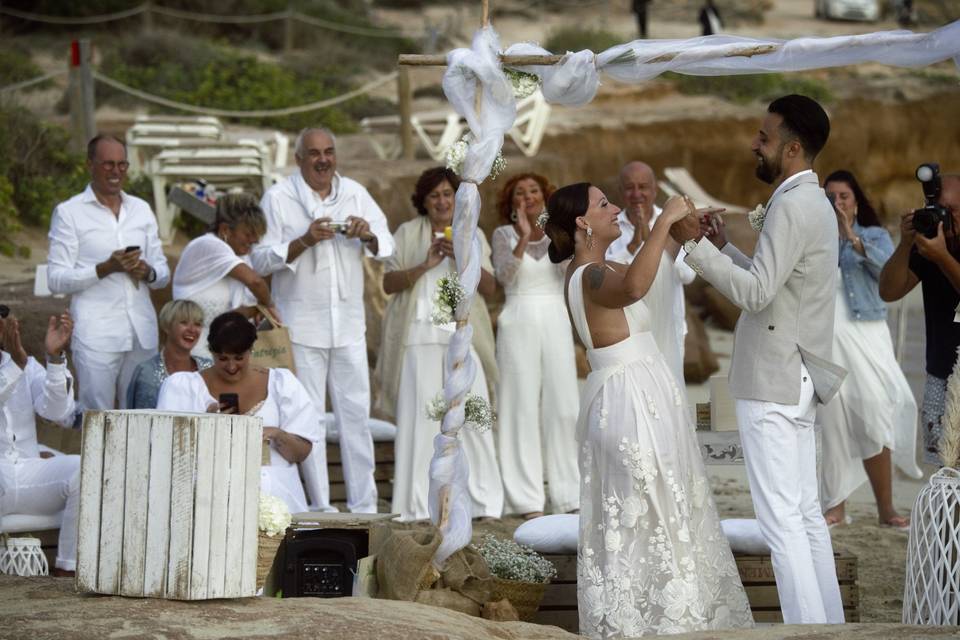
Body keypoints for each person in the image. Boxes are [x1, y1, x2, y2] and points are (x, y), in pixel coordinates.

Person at [543, 182, 752, 637]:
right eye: (604, 204)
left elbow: (650, 273)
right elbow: (636, 287)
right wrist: (661, 220)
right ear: (582, 222)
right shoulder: (589, 275)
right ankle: (643, 623)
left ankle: (673, 618)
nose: (615, 208)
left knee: (664, 509)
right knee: (644, 514)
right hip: (627, 403)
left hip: (643, 394)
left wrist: (683, 228)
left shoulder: (604, 266)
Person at [671, 94, 846, 624]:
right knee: (806, 516)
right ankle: (831, 627)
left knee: (781, 523)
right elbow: (779, 286)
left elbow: (755, 295)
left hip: (773, 378)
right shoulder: (812, 202)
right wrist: (724, 249)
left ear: (793, 149)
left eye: (764, 137)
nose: (755, 144)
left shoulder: (791, 205)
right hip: (797, 376)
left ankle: (806, 631)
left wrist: (693, 248)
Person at [252, 127, 394, 514]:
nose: (323, 160)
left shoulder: (354, 193)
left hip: (348, 323)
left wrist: (367, 236)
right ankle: (320, 504)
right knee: (308, 418)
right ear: (298, 159)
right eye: (313, 153)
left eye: (329, 152)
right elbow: (260, 259)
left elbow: (388, 244)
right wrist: (305, 240)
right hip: (302, 325)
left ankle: (364, 504)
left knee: (356, 417)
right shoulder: (278, 198)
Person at [375, 167, 503, 522]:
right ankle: (416, 504)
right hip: (419, 337)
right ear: (424, 201)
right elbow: (389, 283)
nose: (443, 201)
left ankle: (483, 502)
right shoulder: (407, 232)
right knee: (420, 420)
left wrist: (463, 256)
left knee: (473, 414)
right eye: (435, 196)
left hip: (460, 336)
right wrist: (425, 264)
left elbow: (492, 289)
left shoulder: (472, 232)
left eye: (448, 194)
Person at [817, 170, 921, 529]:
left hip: (867, 332)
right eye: (830, 196)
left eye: (843, 196)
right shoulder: (813, 238)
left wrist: (850, 235)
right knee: (831, 420)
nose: (837, 203)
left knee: (875, 412)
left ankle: (886, 509)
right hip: (826, 337)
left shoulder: (874, 235)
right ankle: (835, 507)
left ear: (856, 202)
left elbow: (888, 272)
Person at [47, 134, 170, 411]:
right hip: (96, 333)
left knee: (143, 413)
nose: (116, 172)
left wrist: (147, 271)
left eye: (122, 165)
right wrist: (105, 269)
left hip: (142, 331)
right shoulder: (69, 213)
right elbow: (55, 279)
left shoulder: (141, 209)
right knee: (97, 416)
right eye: (108, 164)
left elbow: (163, 273)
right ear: (90, 164)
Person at [156, 311, 320, 514]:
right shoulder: (182, 386)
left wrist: (277, 434)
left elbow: (301, 453)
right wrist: (206, 422)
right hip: (209, 500)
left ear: (251, 350)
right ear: (211, 351)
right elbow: (167, 451)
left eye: (239, 357)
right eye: (222, 358)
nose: (231, 366)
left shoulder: (282, 383)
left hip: (276, 500)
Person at [490, 172, 579, 519]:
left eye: (533, 191)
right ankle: (525, 499)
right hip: (517, 320)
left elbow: (569, 274)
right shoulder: (503, 235)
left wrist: (553, 234)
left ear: (545, 196)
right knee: (519, 407)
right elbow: (503, 277)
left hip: (555, 318)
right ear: (511, 202)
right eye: (519, 193)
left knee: (564, 406)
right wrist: (524, 238)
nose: (527, 197)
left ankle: (568, 494)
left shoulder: (560, 233)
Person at [879, 172, 960, 465]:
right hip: (941, 376)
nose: (942, 218)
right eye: (937, 209)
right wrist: (905, 245)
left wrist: (942, 258)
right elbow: (889, 291)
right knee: (945, 472)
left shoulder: (937, 253)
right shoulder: (928, 247)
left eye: (951, 210)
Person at [0, 308, 79, 575]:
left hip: (25, 473)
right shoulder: (16, 365)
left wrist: (55, 359)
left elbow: (58, 411)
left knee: (84, 469)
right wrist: (16, 365)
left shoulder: (22, 363)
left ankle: (68, 567)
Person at [608, 161, 696, 388]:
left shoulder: (675, 222)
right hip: (628, 333)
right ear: (620, 191)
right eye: (629, 188)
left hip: (669, 326)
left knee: (670, 392)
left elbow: (688, 275)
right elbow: (606, 271)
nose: (636, 194)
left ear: (655, 189)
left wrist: (654, 241)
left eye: (643, 187)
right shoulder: (610, 226)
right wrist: (633, 246)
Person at [173, 193, 277, 360]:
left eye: (257, 235)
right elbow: (255, 282)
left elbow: (232, 317)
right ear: (225, 230)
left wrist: (257, 309)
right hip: (195, 356)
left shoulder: (241, 257)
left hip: (226, 357)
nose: (255, 240)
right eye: (249, 234)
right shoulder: (208, 245)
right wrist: (269, 306)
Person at [125, 300, 212, 410]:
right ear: (167, 326)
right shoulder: (146, 372)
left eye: (197, 324)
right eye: (184, 322)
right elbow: (136, 420)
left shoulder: (209, 367)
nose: (192, 330)